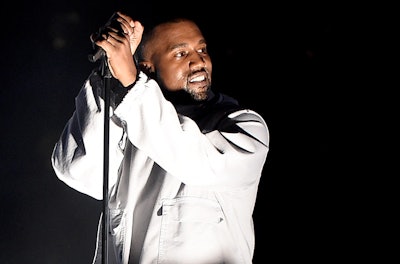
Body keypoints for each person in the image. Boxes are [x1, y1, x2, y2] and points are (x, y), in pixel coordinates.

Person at [51, 11, 270, 264]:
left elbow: (196, 161)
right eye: (181, 53)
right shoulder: (127, 122)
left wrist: (132, 83)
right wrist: (110, 75)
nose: (199, 61)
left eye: (202, 50)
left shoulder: (244, 126)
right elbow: (78, 170)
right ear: (146, 67)